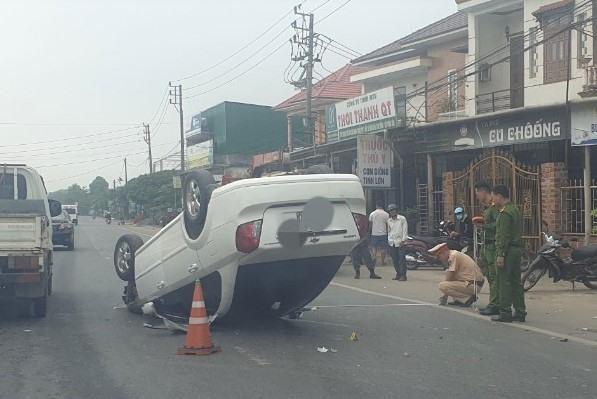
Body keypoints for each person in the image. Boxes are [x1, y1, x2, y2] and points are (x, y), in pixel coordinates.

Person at [491, 184, 526, 323]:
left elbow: (503, 235)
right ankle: (520, 311)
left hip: (508, 251)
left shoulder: (505, 213)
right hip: (517, 250)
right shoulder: (515, 210)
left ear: (499, 196)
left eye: (494, 196)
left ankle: (505, 312)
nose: (493, 200)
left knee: (504, 281)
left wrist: (500, 254)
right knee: (516, 282)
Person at [430, 242, 484, 307]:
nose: (439, 259)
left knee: (442, 285)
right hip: (473, 283)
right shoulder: (454, 254)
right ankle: (458, 300)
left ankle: (467, 299)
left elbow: (449, 277)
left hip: (472, 284)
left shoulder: (453, 256)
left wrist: (444, 296)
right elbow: (451, 277)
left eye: (439, 257)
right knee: (449, 279)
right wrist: (445, 295)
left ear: (443, 252)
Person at [474, 182, 500, 316]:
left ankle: (495, 304)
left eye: (477, 193)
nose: (477, 196)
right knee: (488, 274)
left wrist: (484, 226)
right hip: (487, 245)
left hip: (494, 245)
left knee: (494, 277)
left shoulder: (494, 207)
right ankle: (493, 302)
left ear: (483, 191)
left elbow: (499, 224)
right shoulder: (488, 207)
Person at [387, 204, 408, 281]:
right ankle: (398, 273)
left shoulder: (402, 219)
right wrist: (389, 240)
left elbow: (405, 230)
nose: (392, 212)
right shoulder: (389, 220)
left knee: (401, 260)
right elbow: (389, 231)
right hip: (392, 242)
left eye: (393, 210)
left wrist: (403, 240)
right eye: (391, 211)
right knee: (395, 260)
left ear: (396, 211)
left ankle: (403, 275)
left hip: (401, 242)